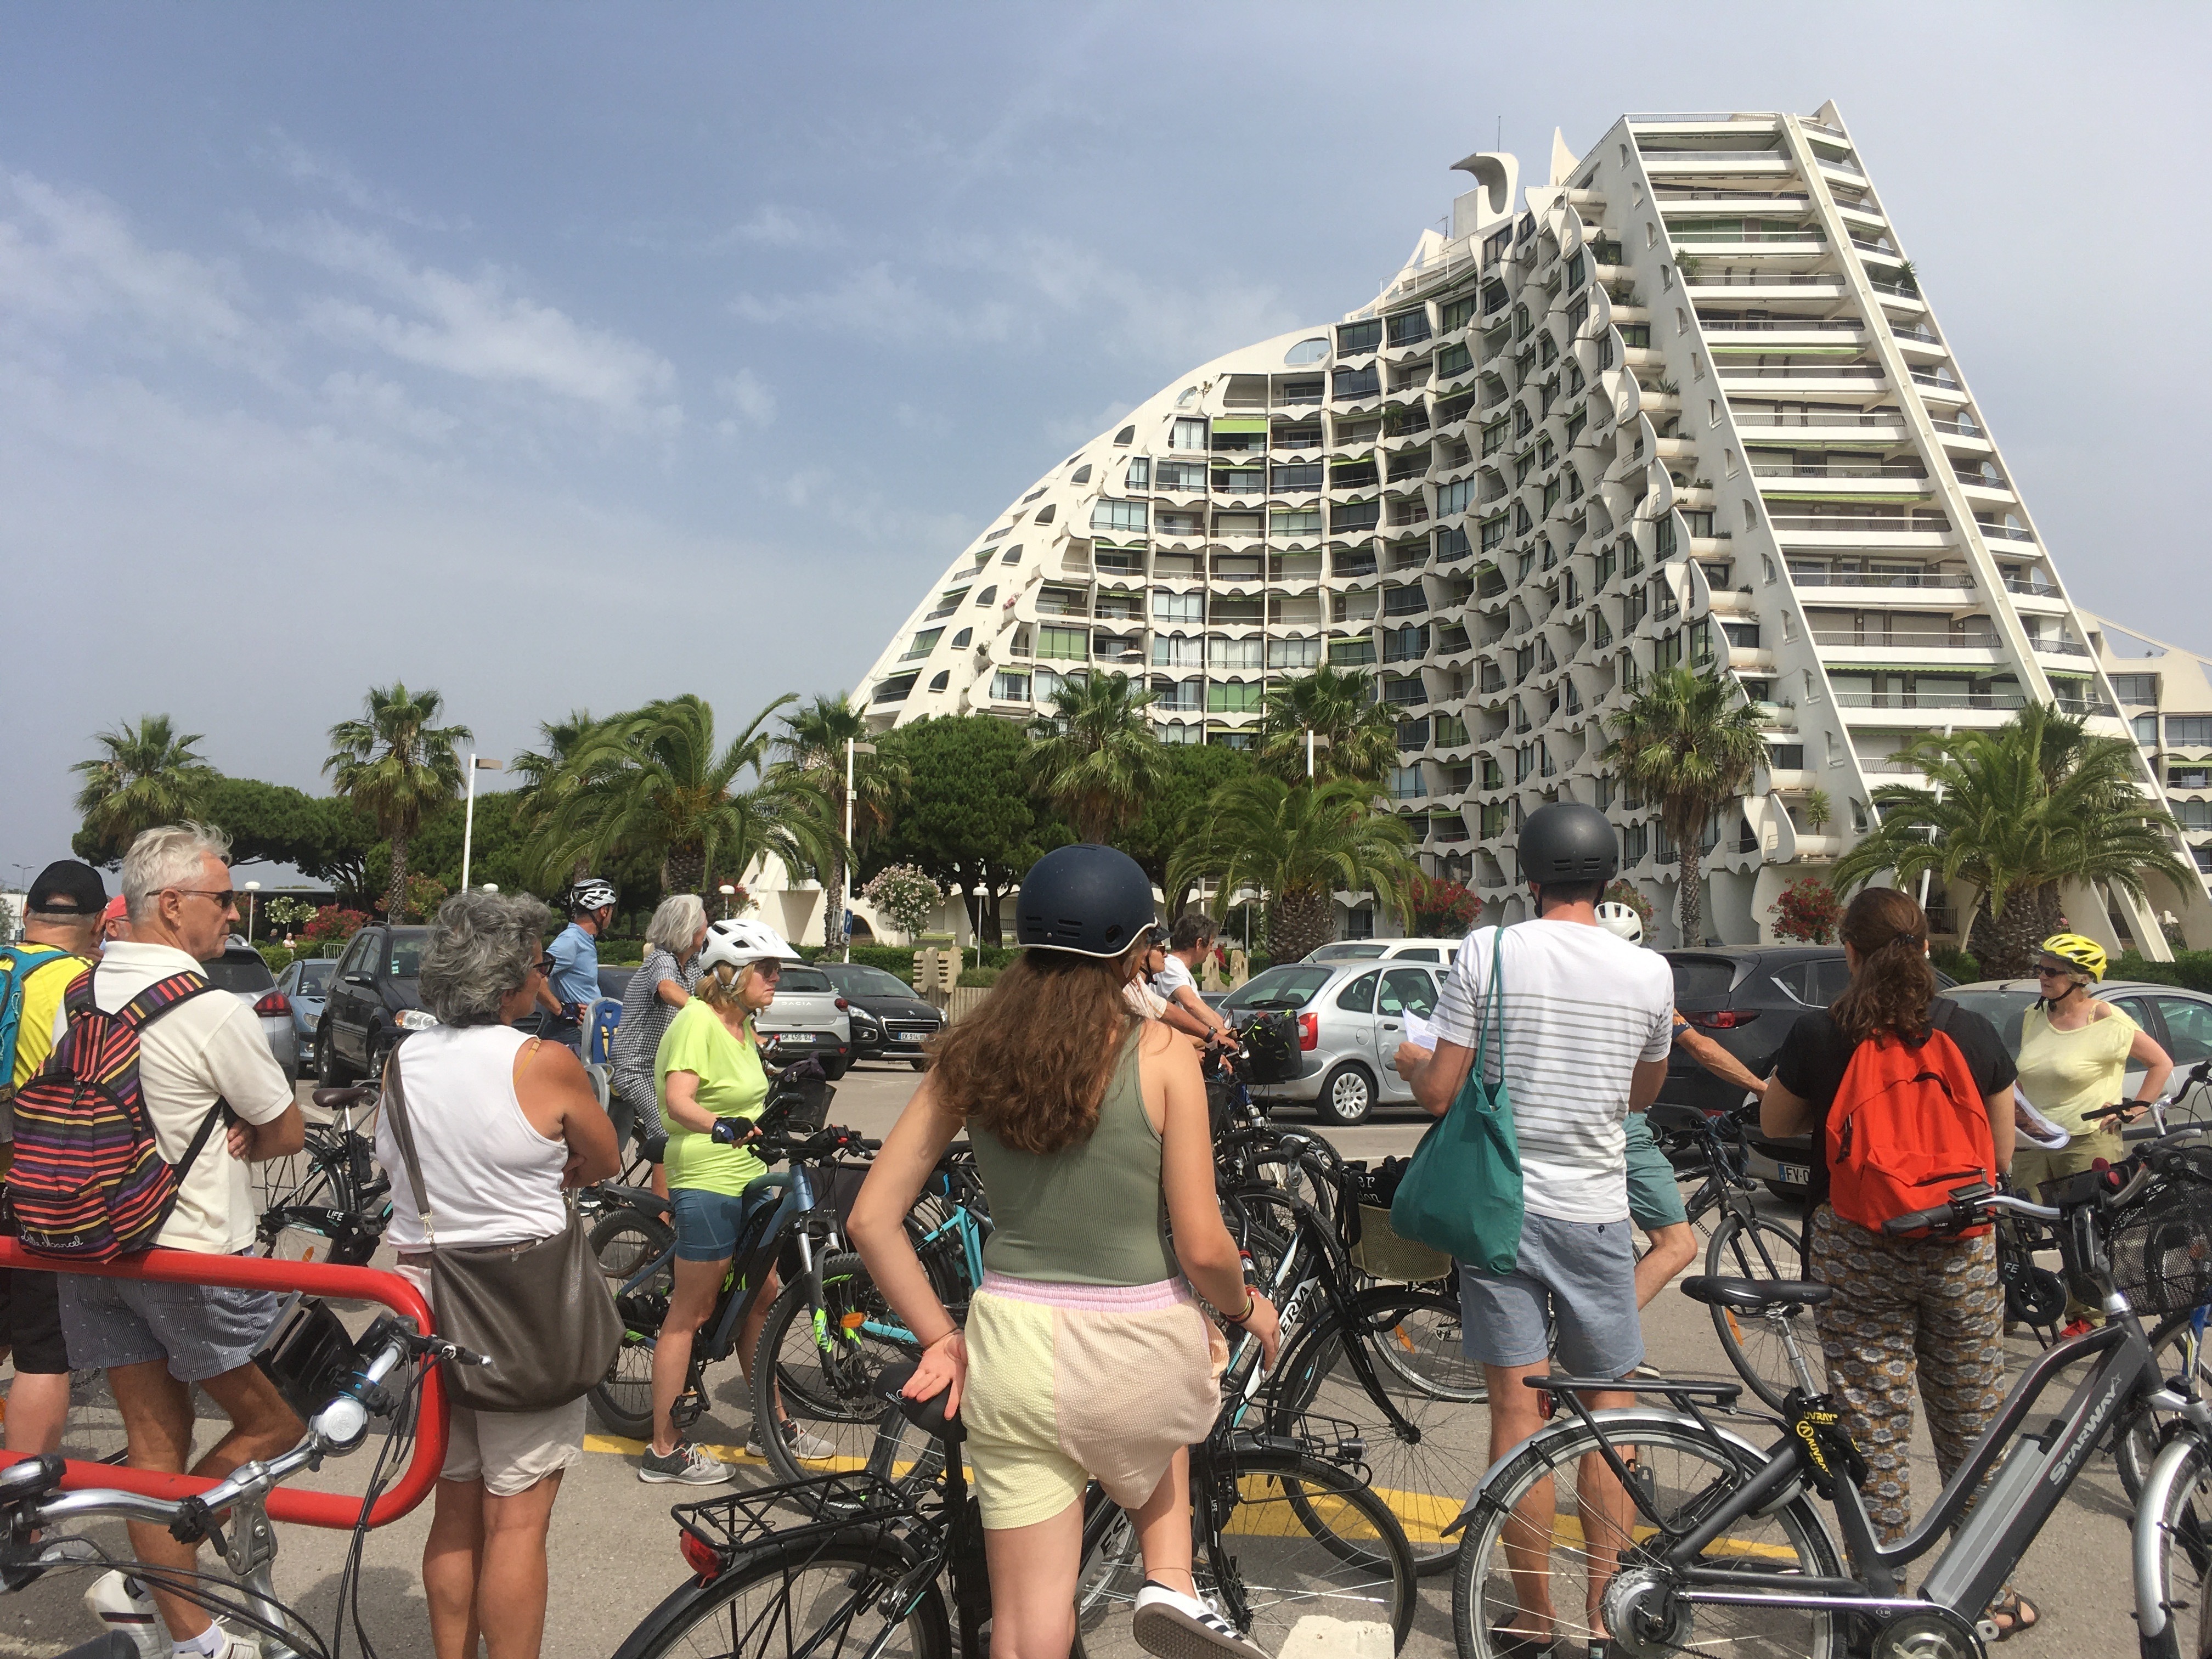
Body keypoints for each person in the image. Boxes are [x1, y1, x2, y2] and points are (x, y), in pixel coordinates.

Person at [849, 844, 1281, 1659]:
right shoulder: (1163, 1055)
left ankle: (1161, 1584)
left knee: (1024, 1629)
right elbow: (1201, 1244)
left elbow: (872, 1218)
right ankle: (1171, 1580)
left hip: (1008, 1346)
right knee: (1180, 1393)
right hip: (1135, 1346)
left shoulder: (970, 1055)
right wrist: (1246, 1308)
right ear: (1132, 947)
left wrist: (943, 1338)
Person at [1392, 803, 1673, 1656]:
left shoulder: (1492, 950)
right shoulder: (1649, 973)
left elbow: (1442, 1092)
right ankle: (1601, 1617)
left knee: (1518, 1419)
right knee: (1611, 1413)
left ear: (1532, 876)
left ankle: (1533, 1619)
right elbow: (1643, 1098)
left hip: (1501, 1215)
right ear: (1609, 877)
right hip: (1596, 1213)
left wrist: (1411, 1060)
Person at [1760, 888, 2034, 1637]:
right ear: (1926, 951)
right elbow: (2002, 1157)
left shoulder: (1823, 1035)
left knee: (1873, 1426)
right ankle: (1988, 1596)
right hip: (1961, 1247)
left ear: (1848, 952)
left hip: (1857, 1244)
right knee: (1974, 1423)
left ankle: (1880, 1603)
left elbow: (1775, 1123)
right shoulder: (1972, 1031)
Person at [58, 826, 304, 1659]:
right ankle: (146, 1582)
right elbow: (286, 1129)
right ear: (172, 906)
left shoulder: (86, 993)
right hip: (190, 1252)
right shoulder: (207, 1009)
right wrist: (244, 1127)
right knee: (277, 1429)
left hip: (90, 1246)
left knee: (153, 1447)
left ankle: (188, 1634)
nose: (234, 914)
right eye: (223, 899)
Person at [374, 890, 618, 1659]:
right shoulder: (542, 1062)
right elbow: (604, 1158)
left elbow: (396, 1166)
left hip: (423, 1297)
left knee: (455, 1504)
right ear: (513, 976)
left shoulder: (402, 1060)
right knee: (518, 1516)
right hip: (525, 1305)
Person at [640, 918, 832, 1482]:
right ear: (731, 974)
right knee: (691, 1313)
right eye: (767, 971)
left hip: (746, 1174)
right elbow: (678, 1102)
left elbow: (751, 1098)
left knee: (762, 1298)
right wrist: (719, 1125)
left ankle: (769, 1425)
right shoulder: (696, 1021)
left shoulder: (743, 1028)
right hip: (706, 1176)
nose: (775, 981)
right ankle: (664, 1449)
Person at [0, 860, 107, 1459]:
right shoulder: (79, 987)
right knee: (44, 1351)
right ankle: (22, 1515)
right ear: (98, 930)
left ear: (27, 915)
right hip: (38, 1194)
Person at [2012, 932, 2170, 1335]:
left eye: (2052, 971)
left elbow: (2161, 1063)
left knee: (2081, 1231)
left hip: (2086, 1140)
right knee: (2015, 1222)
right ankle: (2019, 1301)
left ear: (2081, 979)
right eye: (2040, 968)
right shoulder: (2035, 1016)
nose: (2042, 976)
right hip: (2034, 1140)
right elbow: (2027, 1077)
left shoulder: (2108, 1019)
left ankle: (2088, 1316)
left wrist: (2136, 1107)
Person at [1590, 901, 1700, 1312]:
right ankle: (1605, 1336)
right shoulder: (1645, 991)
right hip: (1623, 1124)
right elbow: (1647, 1092)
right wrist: (1759, 1088)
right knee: (1678, 1244)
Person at [611, 893, 709, 1195]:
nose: (709, 926)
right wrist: (703, 1013)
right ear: (691, 929)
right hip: (635, 1068)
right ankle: (659, 1228)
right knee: (667, 1133)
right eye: (705, 921)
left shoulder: (691, 965)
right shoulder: (661, 959)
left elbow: (712, 997)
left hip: (664, 1068)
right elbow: (667, 990)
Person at [537, 877, 616, 1051]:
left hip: (583, 1032)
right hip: (570, 1034)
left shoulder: (583, 939)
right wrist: (561, 1010)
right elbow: (533, 974)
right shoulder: (571, 939)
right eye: (611, 909)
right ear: (603, 911)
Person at [1153, 913, 1238, 1051]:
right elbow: (1191, 1004)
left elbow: (1202, 1008)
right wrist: (1224, 1032)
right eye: (1211, 944)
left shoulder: (1179, 968)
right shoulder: (1171, 966)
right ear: (1199, 944)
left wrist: (1227, 1028)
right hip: (1168, 1047)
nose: (1212, 950)